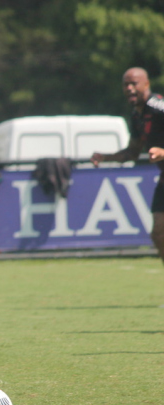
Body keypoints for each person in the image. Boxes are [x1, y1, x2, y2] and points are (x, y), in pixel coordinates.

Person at [91, 67, 164, 262]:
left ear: (146, 84)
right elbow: (132, 152)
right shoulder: (137, 116)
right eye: (126, 84)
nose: (130, 88)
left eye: (134, 83)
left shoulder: (158, 106)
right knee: (158, 234)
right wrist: (105, 157)